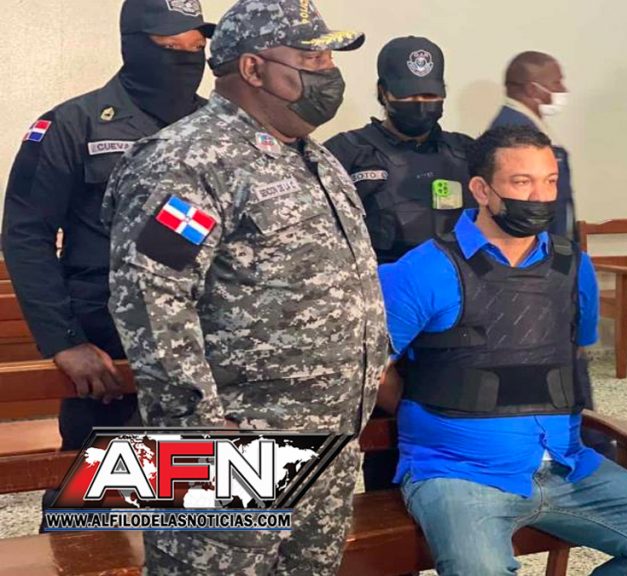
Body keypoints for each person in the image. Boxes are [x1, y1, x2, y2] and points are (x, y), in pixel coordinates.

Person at [102, 0, 389, 573]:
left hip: (329, 446)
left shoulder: (316, 159)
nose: (328, 72)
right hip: (233, 450)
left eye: (330, 58)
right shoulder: (190, 160)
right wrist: (199, 430)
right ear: (253, 69)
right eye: (311, 58)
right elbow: (152, 297)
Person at [376, 125, 627, 576]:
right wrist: (433, 405)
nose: (539, 196)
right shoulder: (423, 270)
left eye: (549, 181)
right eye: (522, 182)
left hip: (568, 466)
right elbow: (372, 370)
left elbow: (570, 355)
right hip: (458, 471)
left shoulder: (574, 266)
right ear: (481, 189)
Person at [0, 0, 213, 524]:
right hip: (107, 348)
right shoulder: (73, 124)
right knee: (91, 510)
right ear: (134, 46)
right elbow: (25, 236)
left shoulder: (219, 127)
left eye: (196, 48)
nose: (187, 59)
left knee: (202, 506)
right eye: (171, 47)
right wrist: (63, 341)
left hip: (208, 346)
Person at [325, 35, 475, 265]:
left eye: (430, 95)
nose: (420, 103)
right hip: (378, 280)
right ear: (383, 92)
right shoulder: (344, 153)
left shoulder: (467, 152)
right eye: (408, 95)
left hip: (457, 280)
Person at [489, 51, 575, 238]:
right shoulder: (514, 133)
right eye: (556, 82)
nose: (563, 89)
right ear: (532, 89)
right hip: (534, 243)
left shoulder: (530, 125)